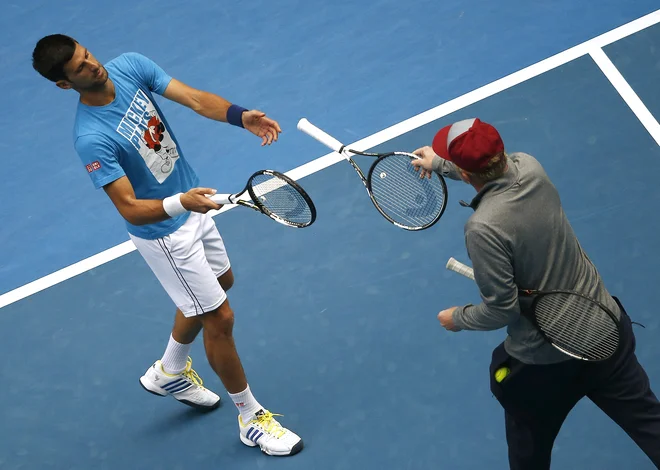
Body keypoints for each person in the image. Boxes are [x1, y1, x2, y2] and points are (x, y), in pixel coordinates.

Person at [31, 34, 303, 457]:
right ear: (65, 85)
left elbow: (194, 98)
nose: (93, 66)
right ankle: (251, 420)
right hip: (165, 234)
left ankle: (169, 371)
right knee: (219, 318)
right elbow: (129, 208)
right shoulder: (91, 138)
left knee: (220, 282)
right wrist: (180, 203)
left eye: (88, 55)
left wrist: (240, 116)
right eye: (80, 68)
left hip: (190, 205)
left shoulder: (130, 65)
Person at [411, 118, 660, 469]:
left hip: (545, 366)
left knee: (527, 447)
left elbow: (502, 310)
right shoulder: (530, 167)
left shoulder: (482, 229)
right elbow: (489, 170)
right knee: (652, 424)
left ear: (466, 175)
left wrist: (458, 318)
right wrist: (438, 164)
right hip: (607, 334)